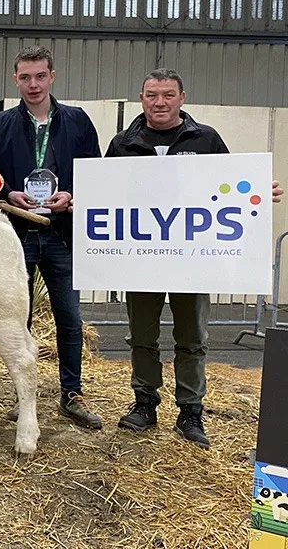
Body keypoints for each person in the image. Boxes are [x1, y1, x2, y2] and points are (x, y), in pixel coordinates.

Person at [106, 68, 283, 449]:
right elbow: (107, 194)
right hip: (142, 258)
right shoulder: (123, 142)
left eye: (168, 94)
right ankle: (145, 403)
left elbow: (233, 185)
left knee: (192, 339)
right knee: (142, 337)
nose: (160, 102)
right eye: (152, 95)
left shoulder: (206, 139)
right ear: (142, 99)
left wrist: (256, 189)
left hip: (193, 260)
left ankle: (190, 411)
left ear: (182, 98)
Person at [0, 46, 104, 429]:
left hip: (61, 236)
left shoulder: (78, 122)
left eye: (40, 76)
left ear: (52, 76)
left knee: (70, 316)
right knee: (19, 320)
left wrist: (71, 194)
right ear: (15, 80)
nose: (33, 85)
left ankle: (72, 394)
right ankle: (25, 395)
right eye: (25, 77)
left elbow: (95, 174)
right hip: (16, 236)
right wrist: (7, 194)